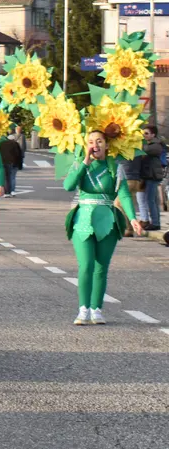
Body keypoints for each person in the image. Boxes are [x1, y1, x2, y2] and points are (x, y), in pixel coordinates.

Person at [63, 130, 144, 325]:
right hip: (83, 219)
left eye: (99, 141)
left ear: (107, 145)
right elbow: (68, 185)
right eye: (90, 141)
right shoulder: (79, 164)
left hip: (107, 219)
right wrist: (85, 163)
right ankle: (83, 309)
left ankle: (96, 309)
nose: (95, 145)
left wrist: (133, 218)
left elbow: (123, 194)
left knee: (101, 267)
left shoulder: (115, 167)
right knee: (86, 265)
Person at [138, 125, 165, 231]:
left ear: (153, 135)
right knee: (149, 199)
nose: (144, 136)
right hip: (148, 175)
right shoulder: (150, 144)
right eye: (143, 133)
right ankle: (153, 221)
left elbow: (145, 150)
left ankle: (155, 223)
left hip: (153, 176)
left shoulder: (156, 145)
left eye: (146, 133)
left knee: (151, 200)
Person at [0, 133, 24, 198]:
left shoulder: (2, 144)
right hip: (14, 163)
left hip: (4, 162)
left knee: (6, 177)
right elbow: (20, 155)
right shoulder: (16, 144)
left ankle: (7, 192)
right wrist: (20, 165)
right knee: (12, 177)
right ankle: (12, 191)